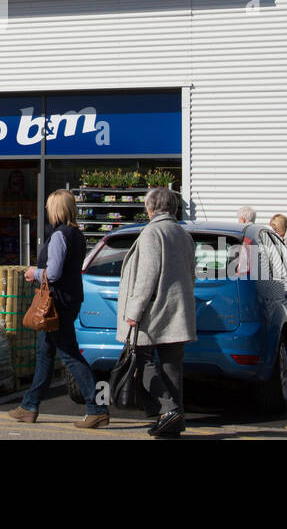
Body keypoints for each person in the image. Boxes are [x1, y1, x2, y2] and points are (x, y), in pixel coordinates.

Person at [8, 190, 107, 429]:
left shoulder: (59, 236)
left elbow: (53, 273)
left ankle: (97, 409)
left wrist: (34, 273)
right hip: (68, 300)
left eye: (49, 207)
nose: (46, 211)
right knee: (44, 353)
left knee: (70, 356)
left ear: (57, 209)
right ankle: (29, 406)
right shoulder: (77, 234)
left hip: (56, 304)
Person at [117, 186, 196, 438]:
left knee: (143, 361)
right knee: (173, 367)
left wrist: (134, 312)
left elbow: (146, 277)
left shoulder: (152, 233)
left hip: (153, 313)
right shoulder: (183, 234)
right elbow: (191, 273)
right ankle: (174, 419)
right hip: (177, 311)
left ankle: (169, 409)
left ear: (150, 208)